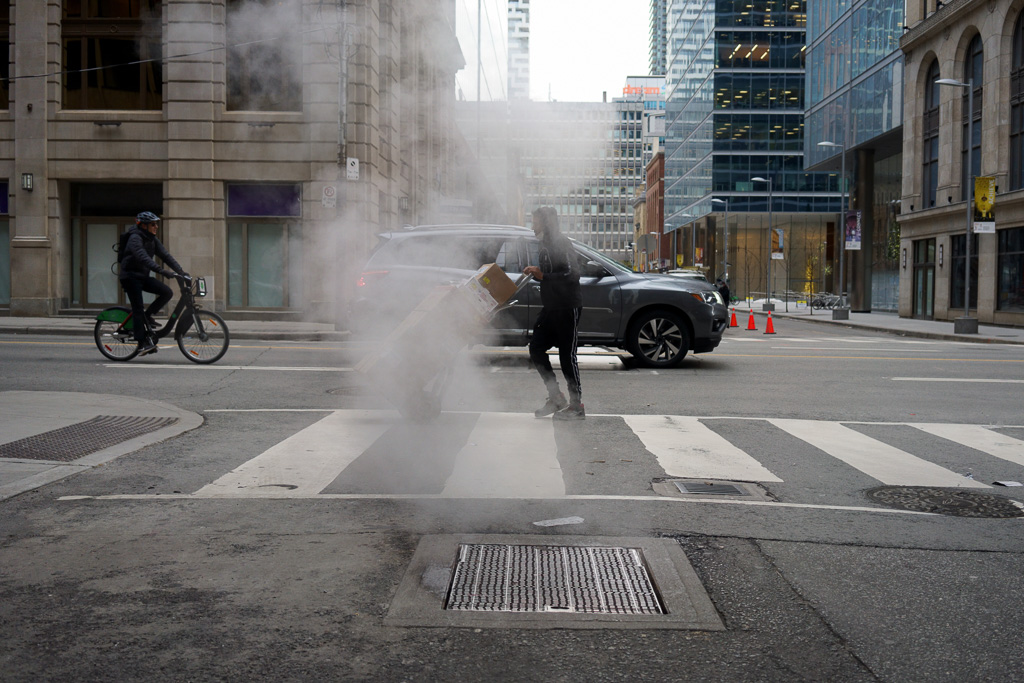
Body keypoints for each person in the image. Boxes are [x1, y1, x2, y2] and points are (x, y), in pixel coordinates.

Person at [522, 206, 585, 420]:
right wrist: (536, 273)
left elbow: (572, 273)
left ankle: (576, 405)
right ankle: (556, 397)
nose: (533, 227)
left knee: (567, 356)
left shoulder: (561, 243)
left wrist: (543, 276)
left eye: (536, 222)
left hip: (567, 306)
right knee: (536, 349)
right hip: (550, 307)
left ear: (546, 223)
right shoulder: (544, 245)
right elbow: (549, 274)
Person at [119, 211, 188, 355]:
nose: (156, 226)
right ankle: (142, 343)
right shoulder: (135, 238)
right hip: (130, 277)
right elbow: (143, 257)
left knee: (167, 292)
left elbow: (166, 256)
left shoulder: (152, 239)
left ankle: (148, 315)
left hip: (142, 276)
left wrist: (181, 272)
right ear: (143, 226)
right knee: (138, 308)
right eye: (153, 224)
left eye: (156, 224)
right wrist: (161, 271)